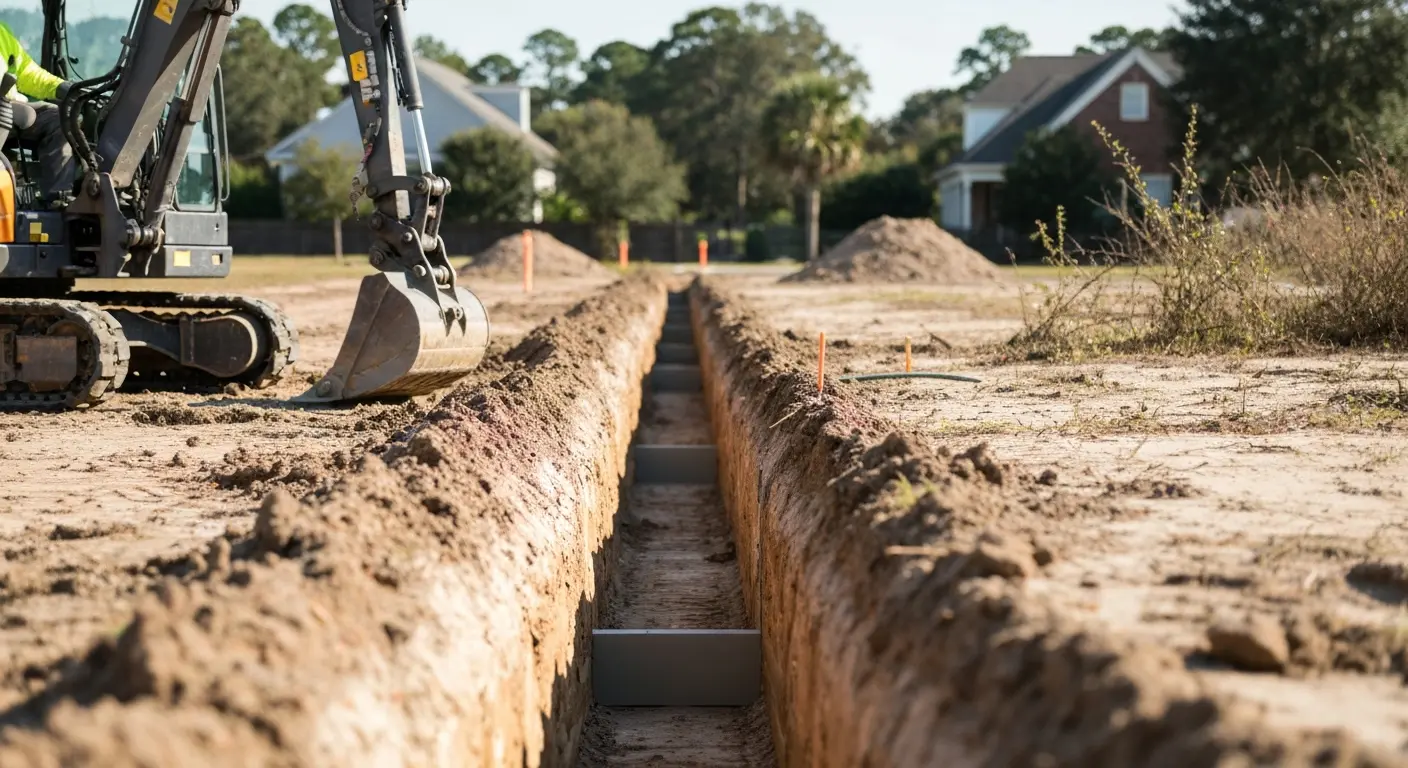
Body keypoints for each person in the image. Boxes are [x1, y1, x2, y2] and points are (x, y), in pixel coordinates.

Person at [0, 21, 73, 205]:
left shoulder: (1, 33)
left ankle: (57, 201)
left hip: (7, 108)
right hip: (5, 111)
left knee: (58, 119)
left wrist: (60, 87)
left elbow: (26, 72)